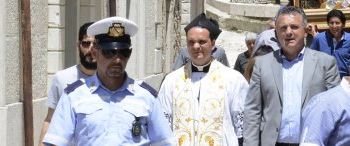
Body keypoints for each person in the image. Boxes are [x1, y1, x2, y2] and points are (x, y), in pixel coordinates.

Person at [43, 16, 173, 145]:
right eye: (109, 52)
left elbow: (164, 142)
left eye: (123, 52)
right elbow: (56, 141)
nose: (117, 59)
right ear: (95, 53)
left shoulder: (147, 97)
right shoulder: (73, 96)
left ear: (130, 53)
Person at [243, 5, 340, 146]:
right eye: (283, 28)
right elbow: (253, 111)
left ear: (306, 31)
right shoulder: (262, 65)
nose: (288, 32)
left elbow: (335, 108)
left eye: (294, 27)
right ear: (276, 34)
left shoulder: (325, 63)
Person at [159, 13, 248, 146]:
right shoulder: (171, 81)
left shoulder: (233, 79)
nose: (196, 47)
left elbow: (242, 125)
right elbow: (162, 125)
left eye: (201, 41)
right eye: (191, 42)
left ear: (212, 44)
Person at [38, 21, 96, 145]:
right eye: (86, 43)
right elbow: (50, 120)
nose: (91, 49)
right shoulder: (62, 78)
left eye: (95, 44)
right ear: (78, 45)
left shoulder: (110, 82)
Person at [310, 9, 350, 77]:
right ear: (328, 24)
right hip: (324, 78)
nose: (334, 26)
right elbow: (311, 58)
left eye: (337, 23)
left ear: (343, 24)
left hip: (344, 78)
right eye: (331, 23)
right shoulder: (319, 39)